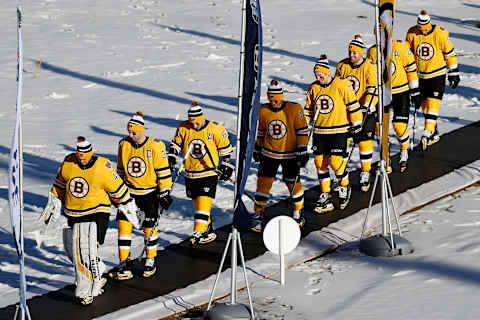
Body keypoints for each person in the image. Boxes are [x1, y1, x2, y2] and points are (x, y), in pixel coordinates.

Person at [40, 136, 139, 306]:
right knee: (75, 250)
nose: (82, 157)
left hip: (97, 212)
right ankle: (97, 270)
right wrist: (54, 201)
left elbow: (118, 188)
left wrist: (128, 206)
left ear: (91, 152)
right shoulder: (68, 163)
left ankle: (86, 290)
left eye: (85, 154)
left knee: (86, 249)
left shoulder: (102, 166)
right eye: (80, 154)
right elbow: (59, 185)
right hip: (73, 212)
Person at [109, 111, 173, 281]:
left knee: (149, 229)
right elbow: (120, 170)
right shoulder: (123, 144)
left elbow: (163, 171)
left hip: (149, 194)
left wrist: (165, 191)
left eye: (134, 132)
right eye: (129, 131)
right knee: (123, 227)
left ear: (141, 130)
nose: (131, 134)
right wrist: (117, 191)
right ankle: (124, 262)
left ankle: (150, 259)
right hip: (129, 194)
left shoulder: (155, 146)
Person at [168, 102, 234, 247]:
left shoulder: (215, 129)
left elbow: (225, 148)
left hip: (208, 172)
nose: (195, 126)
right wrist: (172, 156)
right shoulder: (184, 127)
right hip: (190, 173)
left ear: (202, 118)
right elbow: (176, 144)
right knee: (197, 204)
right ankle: (207, 229)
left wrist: (227, 164)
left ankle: (197, 231)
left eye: (197, 123)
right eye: (193, 123)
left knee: (204, 202)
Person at [305, 54, 363, 213]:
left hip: (339, 130)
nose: (319, 77)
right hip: (320, 132)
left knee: (336, 163)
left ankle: (345, 186)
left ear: (327, 72)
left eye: (321, 74)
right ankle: (325, 193)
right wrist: (304, 126)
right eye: (316, 75)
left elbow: (353, 105)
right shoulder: (313, 88)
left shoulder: (341, 85)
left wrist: (357, 125)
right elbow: (308, 110)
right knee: (320, 163)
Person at [251, 80, 309, 232]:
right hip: (269, 153)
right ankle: (258, 213)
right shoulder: (263, 110)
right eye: (271, 99)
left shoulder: (294, 109)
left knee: (292, 183)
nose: (274, 102)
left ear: (282, 97)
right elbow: (262, 130)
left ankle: (298, 212)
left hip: (290, 155)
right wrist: (258, 147)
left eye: (276, 99)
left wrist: (302, 149)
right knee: (263, 184)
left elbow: (303, 130)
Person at [406, 10, 460, 151]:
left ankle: (427, 131)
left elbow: (450, 53)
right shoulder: (412, 33)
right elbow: (408, 53)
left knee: (433, 102)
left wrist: (453, 71)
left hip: (437, 74)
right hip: (420, 76)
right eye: (421, 29)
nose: (423, 32)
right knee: (423, 104)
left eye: (425, 29)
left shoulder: (439, 33)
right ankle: (434, 130)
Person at [367, 39, 420, 172]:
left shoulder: (401, 47)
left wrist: (414, 90)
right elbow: (369, 75)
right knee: (380, 127)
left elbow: (411, 68)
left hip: (400, 92)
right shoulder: (372, 51)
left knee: (399, 125)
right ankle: (385, 158)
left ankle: (404, 151)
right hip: (382, 93)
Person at [335, 34, 378, 192]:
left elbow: (373, 89)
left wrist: (366, 106)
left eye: (355, 52)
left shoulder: (369, 67)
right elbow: (336, 87)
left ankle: (365, 172)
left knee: (364, 143)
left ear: (362, 53)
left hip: (364, 111)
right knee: (342, 145)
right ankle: (341, 176)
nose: (351, 55)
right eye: (350, 52)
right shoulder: (342, 66)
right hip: (346, 112)